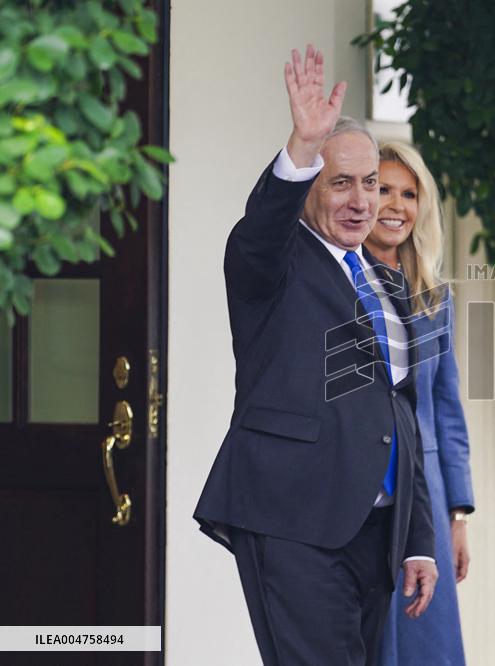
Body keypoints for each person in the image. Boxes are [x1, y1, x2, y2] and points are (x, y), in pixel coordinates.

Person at [194, 45, 437, 666]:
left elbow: (401, 411)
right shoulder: (270, 263)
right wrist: (302, 148)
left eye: (372, 185)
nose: (364, 201)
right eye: (340, 183)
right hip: (295, 520)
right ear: (309, 188)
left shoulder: (386, 281)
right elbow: (262, 226)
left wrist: (417, 539)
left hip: (376, 536)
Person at [364, 141, 475, 666]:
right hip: (359, 496)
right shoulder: (336, 280)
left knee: (425, 645)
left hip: (424, 502)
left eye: (409, 194)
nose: (396, 205)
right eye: (383, 188)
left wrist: (458, 513)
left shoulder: (434, 297)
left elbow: (446, 410)